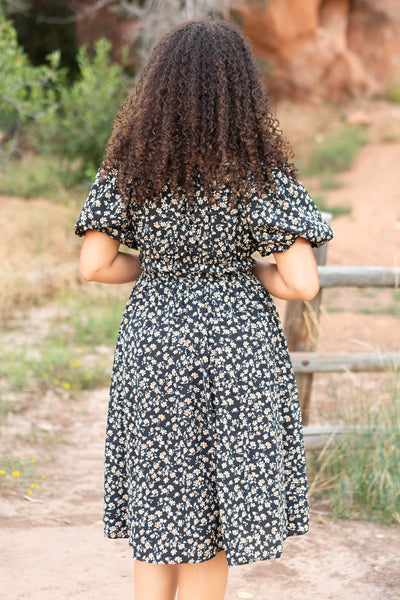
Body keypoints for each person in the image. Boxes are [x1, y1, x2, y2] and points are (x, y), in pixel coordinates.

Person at [74, 18, 334, 600]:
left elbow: (93, 266)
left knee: (161, 509)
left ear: (158, 87)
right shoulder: (259, 173)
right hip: (236, 347)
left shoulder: (131, 167)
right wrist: (254, 271)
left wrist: (156, 269)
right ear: (242, 89)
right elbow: (302, 283)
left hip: (156, 342)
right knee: (212, 519)